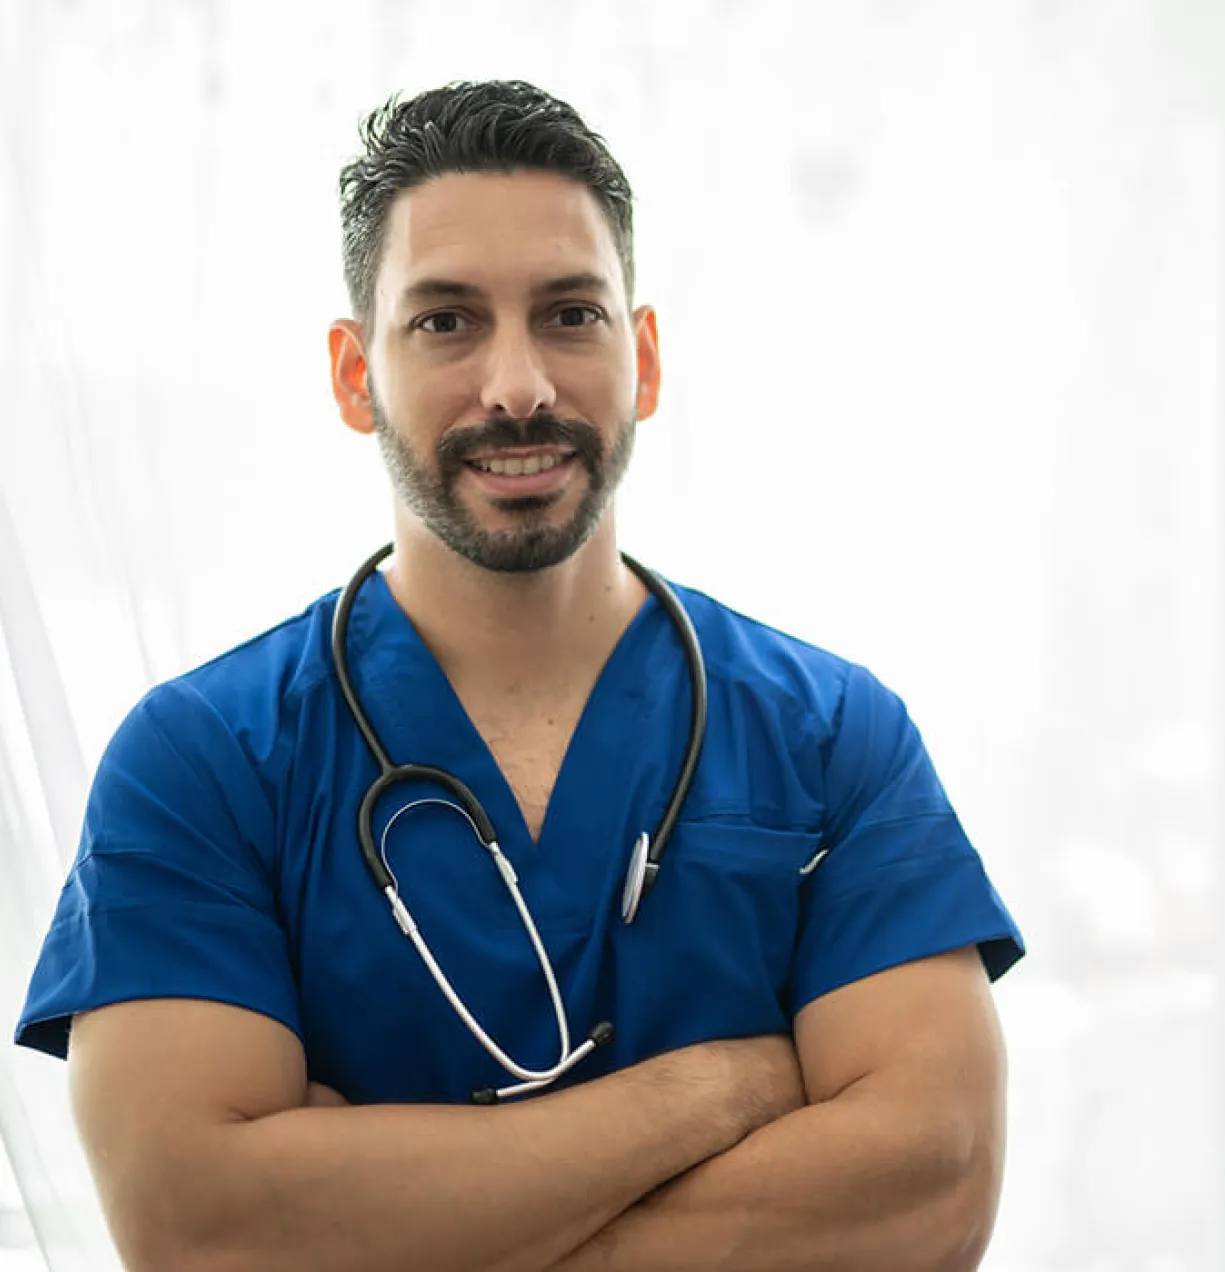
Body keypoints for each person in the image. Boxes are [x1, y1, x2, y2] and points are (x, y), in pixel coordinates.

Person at [15, 80, 1024, 1271]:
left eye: (570, 315)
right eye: (445, 321)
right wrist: (718, 1093)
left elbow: (929, 1197)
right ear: (355, 375)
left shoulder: (833, 734)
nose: (517, 387)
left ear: (641, 357)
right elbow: (201, 1228)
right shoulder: (201, 759)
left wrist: (405, 1227)